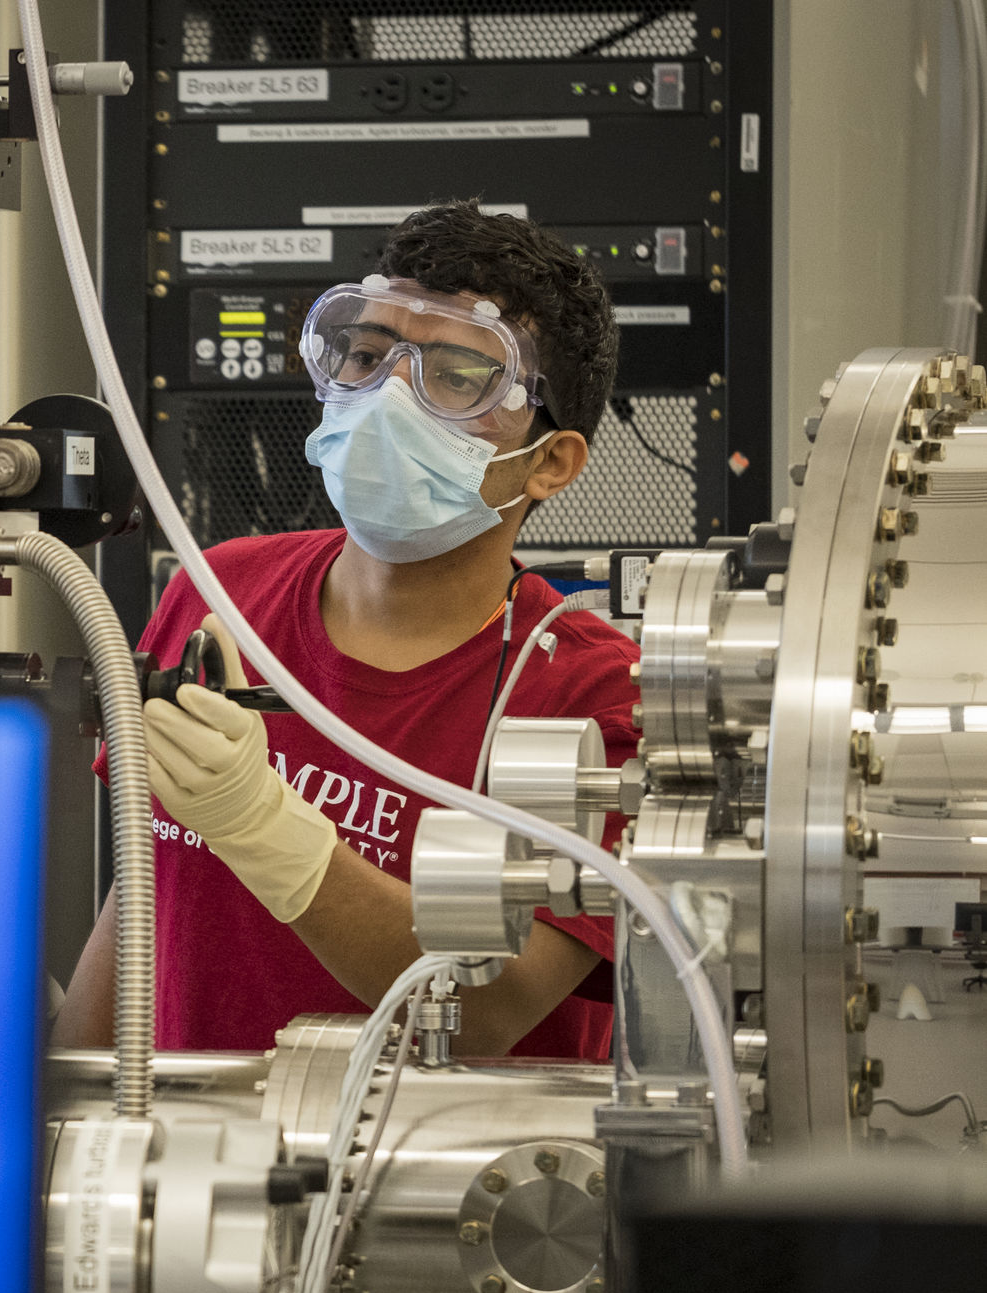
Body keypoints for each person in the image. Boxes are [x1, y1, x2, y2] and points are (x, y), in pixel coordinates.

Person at [54, 201, 635, 1063]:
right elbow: (147, 896)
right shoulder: (223, 591)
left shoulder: (588, 697)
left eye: (457, 375)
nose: (388, 399)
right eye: (366, 356)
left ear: (550, 463)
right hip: (186, 1166)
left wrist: (261, 824)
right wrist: (68, 1113)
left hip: (446, 1182)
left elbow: (489, 1011)